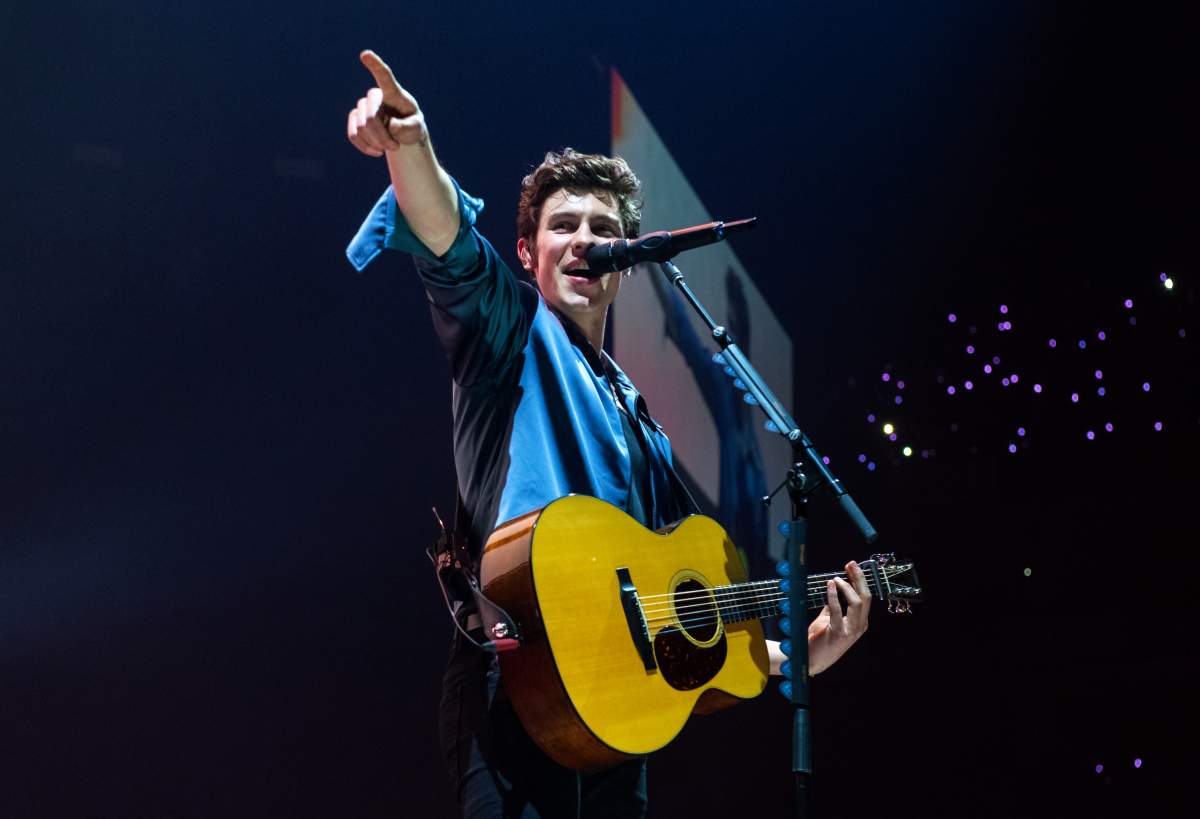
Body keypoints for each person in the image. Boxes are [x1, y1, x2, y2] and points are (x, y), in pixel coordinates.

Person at [344, 49, 872, 819]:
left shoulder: (639, 417)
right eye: (565, 226)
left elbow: (679, 609)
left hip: (615, 719)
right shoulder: (508, 329)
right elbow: (449, 242)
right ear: (528, 253)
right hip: (515, 681)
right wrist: (411, 146)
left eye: (604, 228)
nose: (586, 240)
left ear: (626, 263)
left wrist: (803, 651)